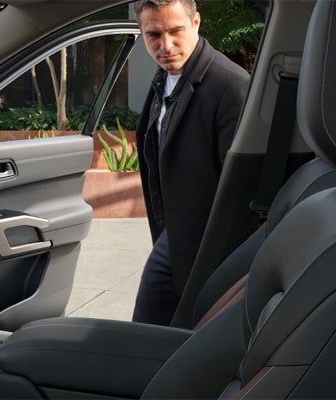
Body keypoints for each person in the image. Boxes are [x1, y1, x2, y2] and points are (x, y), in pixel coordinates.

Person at [131, 0, 250, 325]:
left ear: (196, 22)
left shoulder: (230, 85)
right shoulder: (163, 78)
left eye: (175, 31)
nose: (166, 45)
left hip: (207, 247)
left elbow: (238, 188)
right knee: (149, 329)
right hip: (174, 234)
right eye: (154, 34)